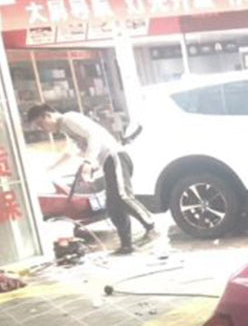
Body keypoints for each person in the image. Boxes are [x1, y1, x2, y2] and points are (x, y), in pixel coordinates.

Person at [25, 104, 155, 254]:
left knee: (122, 196)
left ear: (47, 116)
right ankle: (127, 245)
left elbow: (93, 136)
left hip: (115, 156)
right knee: (113, 206)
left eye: (41, 124)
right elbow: (70, 153)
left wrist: (88, 161)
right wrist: (48, 169)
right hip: (107, 162)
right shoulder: (67, 129)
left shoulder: (69, 118)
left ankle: (152, 227)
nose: (43, 129)